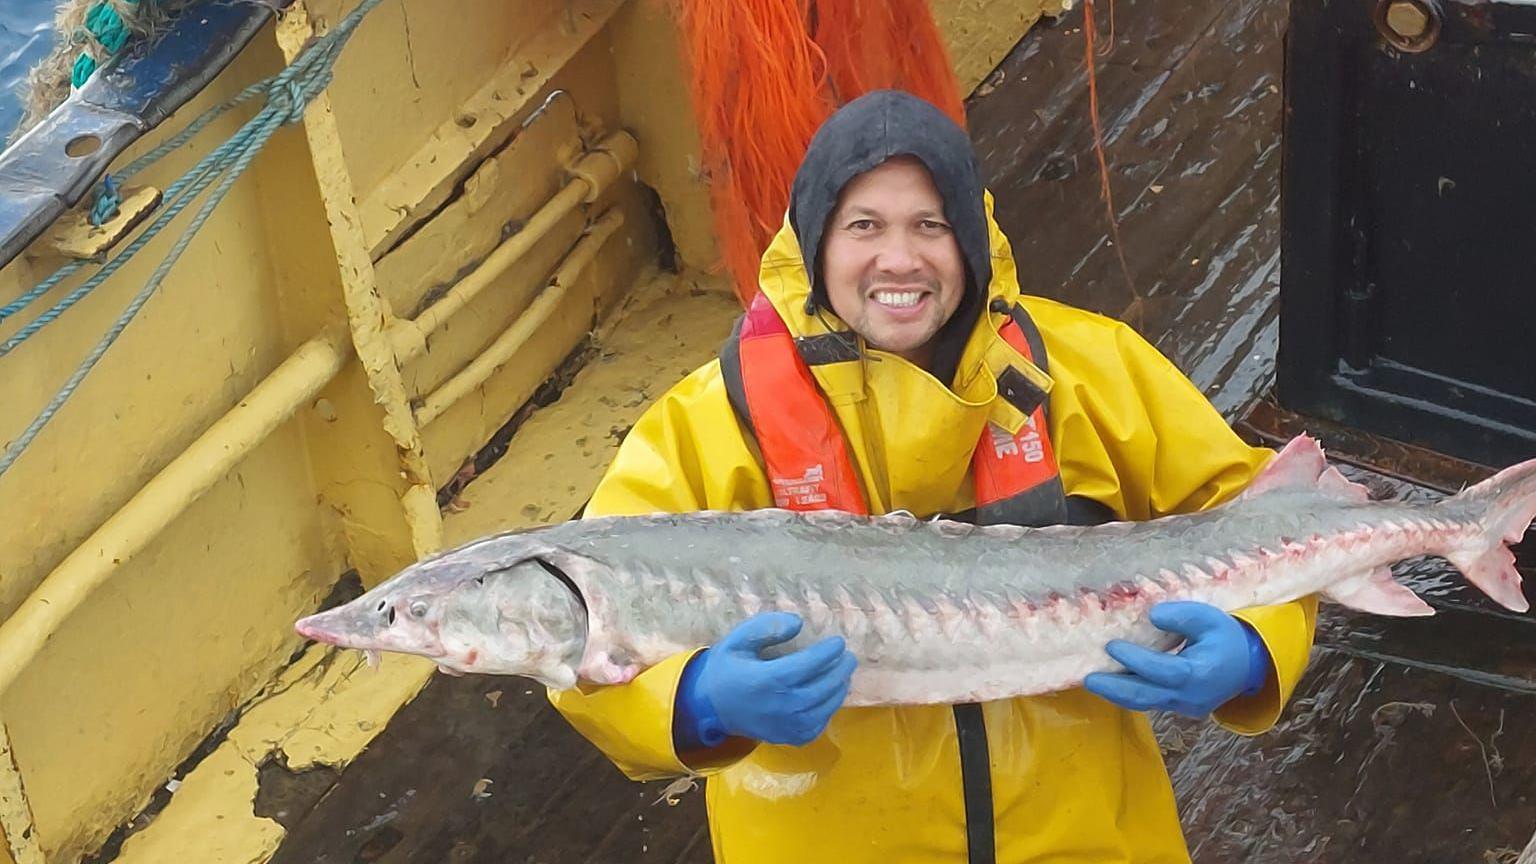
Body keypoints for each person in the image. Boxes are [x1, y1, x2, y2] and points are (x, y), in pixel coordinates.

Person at [549, 90, 1317, 863]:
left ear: (972, 242)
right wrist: (693, 702)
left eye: (931, 225)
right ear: (815, 243)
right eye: (863, 227)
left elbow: (1261, 513)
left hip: (1087, 837)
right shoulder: (711, 423)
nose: (899, 259)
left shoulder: (1092, 369)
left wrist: (1254, 649)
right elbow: (582, 647)